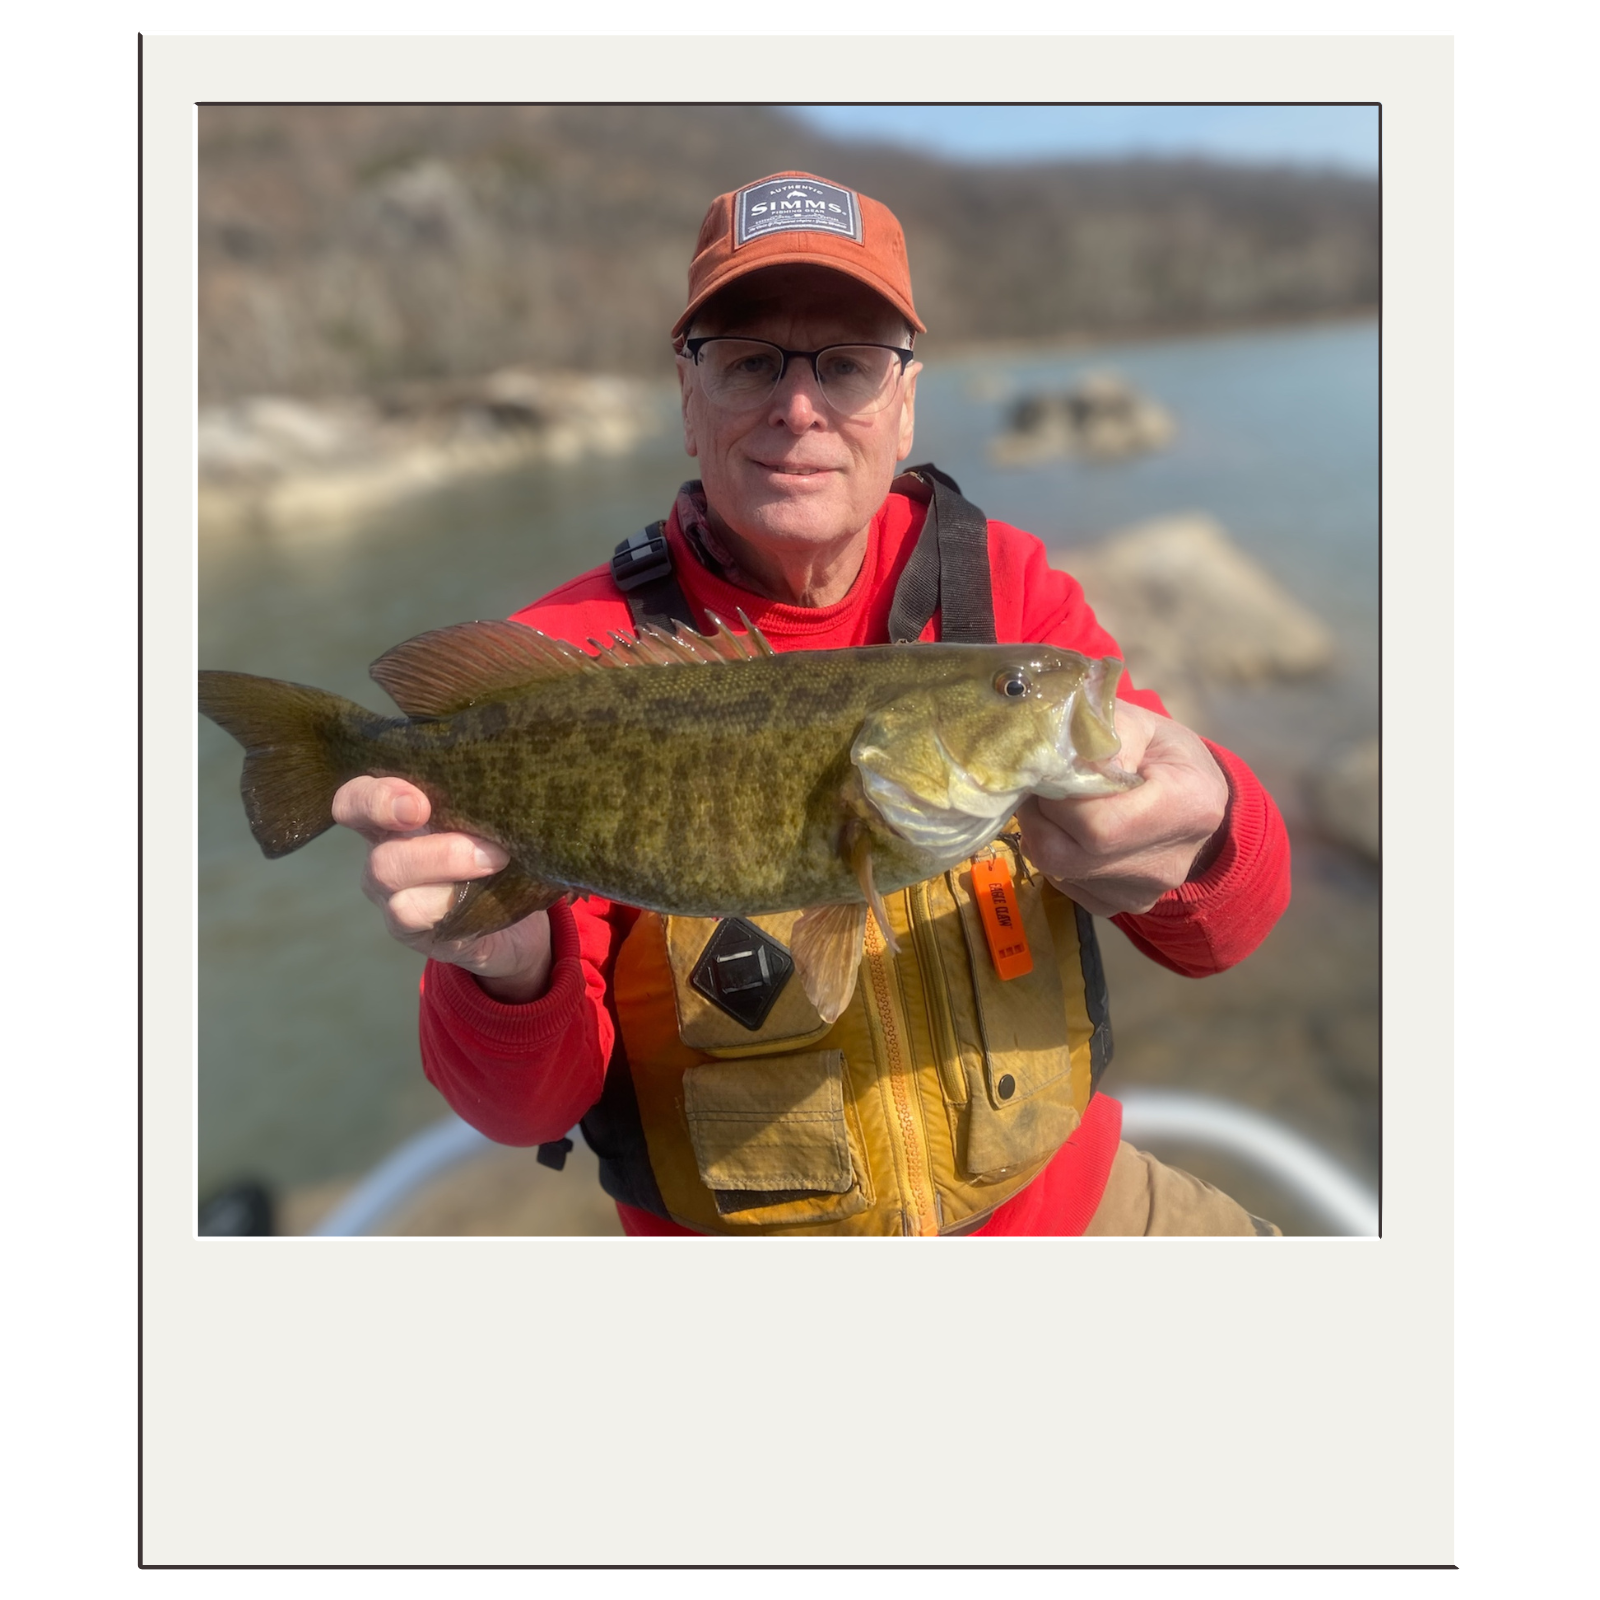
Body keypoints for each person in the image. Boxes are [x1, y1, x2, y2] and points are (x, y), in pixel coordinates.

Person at [332, 171, 1292, 1237]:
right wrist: (503, 968)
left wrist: (1207, 818)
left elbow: (1222, 935)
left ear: (905, 402)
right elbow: (521, 1109)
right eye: (749, 364)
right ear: (688, 402)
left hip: (1067, 1215)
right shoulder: (568, 668)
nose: (799, 407)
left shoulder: (1005, 605)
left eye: (847, 364)